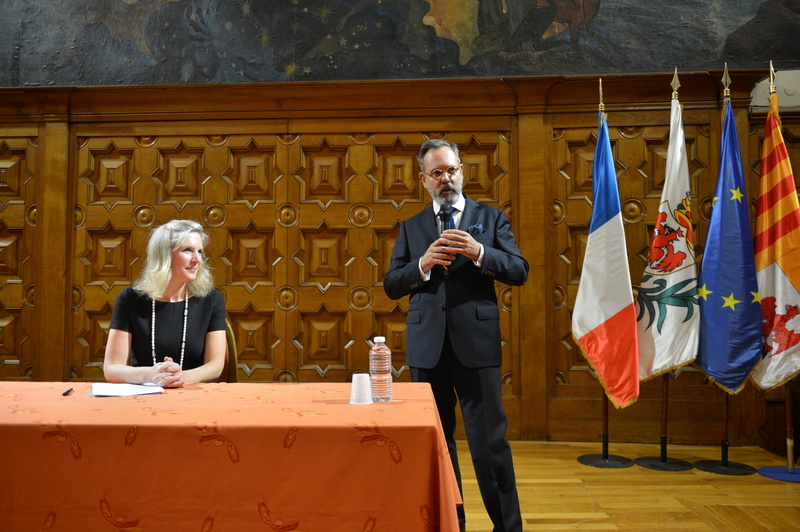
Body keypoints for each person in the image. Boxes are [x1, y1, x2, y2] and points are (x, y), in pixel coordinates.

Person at [383, 139, 529, 532]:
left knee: (489, 448)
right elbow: (392, 284)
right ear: (423, 180)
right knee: (437, 449)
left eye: (451, 170)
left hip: (476, 347)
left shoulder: (491, 217)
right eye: (437, 173)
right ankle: (451, 526)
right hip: (427, 350)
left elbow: (519, 270)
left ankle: (508, 528)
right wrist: (422, 264)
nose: (446, 179)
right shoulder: (412, 227)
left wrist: (480, 252)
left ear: (462, 171)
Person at [103, 219, 227, 387]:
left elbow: (216, 366)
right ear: (164, 255)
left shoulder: (211, 299)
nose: (197, 260)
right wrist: (152, 374)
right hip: (144, 396)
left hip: (193, 396)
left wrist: (183, 377)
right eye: (188, 250)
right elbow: (111, 368)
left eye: (200, 252)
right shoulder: (130, 299)